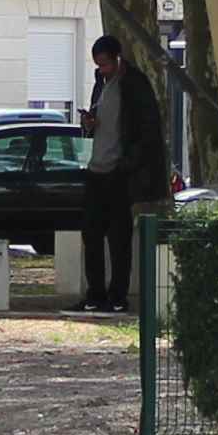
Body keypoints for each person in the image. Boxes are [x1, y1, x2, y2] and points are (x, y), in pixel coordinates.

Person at [79, 32, 168, 308]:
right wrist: (89, 124)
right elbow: (98, 122)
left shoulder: (134, 84)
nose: (102, 69)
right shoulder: (100, 83)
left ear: (118, 58)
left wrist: (127, 165)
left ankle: (118, 296)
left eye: (106, 64)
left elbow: (147, 130)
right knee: (91, 234)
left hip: (119, 171)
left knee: (119, 237)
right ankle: (95, 294)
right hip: (96, 169)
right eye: (98, 65)